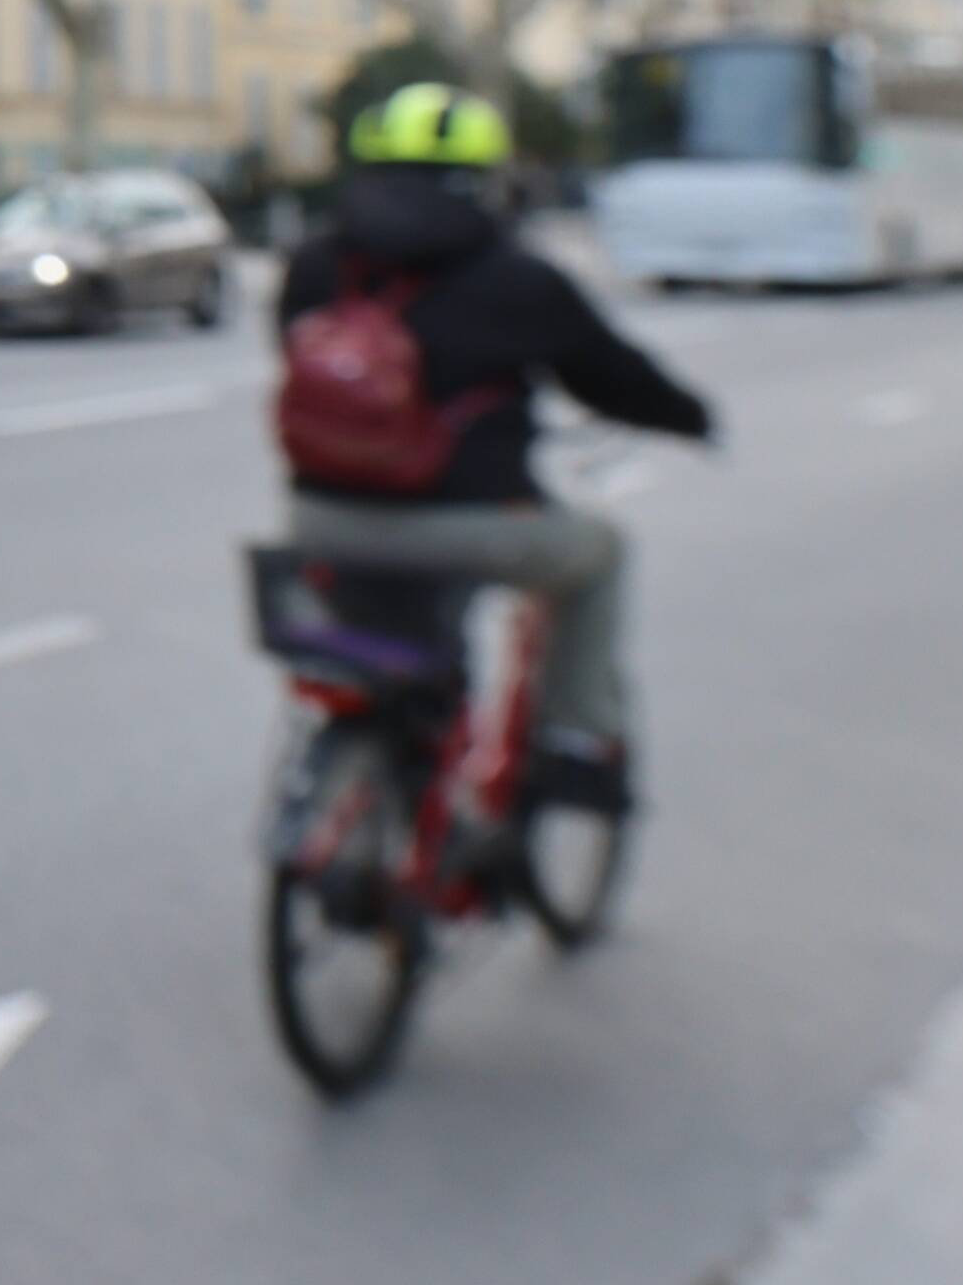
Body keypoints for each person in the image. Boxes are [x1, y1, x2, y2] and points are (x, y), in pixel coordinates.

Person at [275, 84, 717, 812]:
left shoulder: (316, 264)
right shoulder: (516, 276)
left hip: (321, 518)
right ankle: (578, 736)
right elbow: (611, 376)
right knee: (599, 554)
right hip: (472, 526)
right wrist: (692, 418)